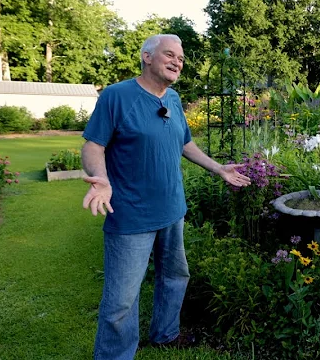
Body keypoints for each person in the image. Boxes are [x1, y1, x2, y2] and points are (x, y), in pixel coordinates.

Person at [81, 34, 251, 360]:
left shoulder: (172, 98)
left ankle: (165, 333)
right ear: (147, 56)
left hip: (172, 209)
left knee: (175, 277)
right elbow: (93, 145)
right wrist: (101, 178)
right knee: (121, 299)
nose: (177, 62)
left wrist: (218, 168)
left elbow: (184, 142)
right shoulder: (118, 96)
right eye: (169, 55)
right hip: (131, 214)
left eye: (181, 59)